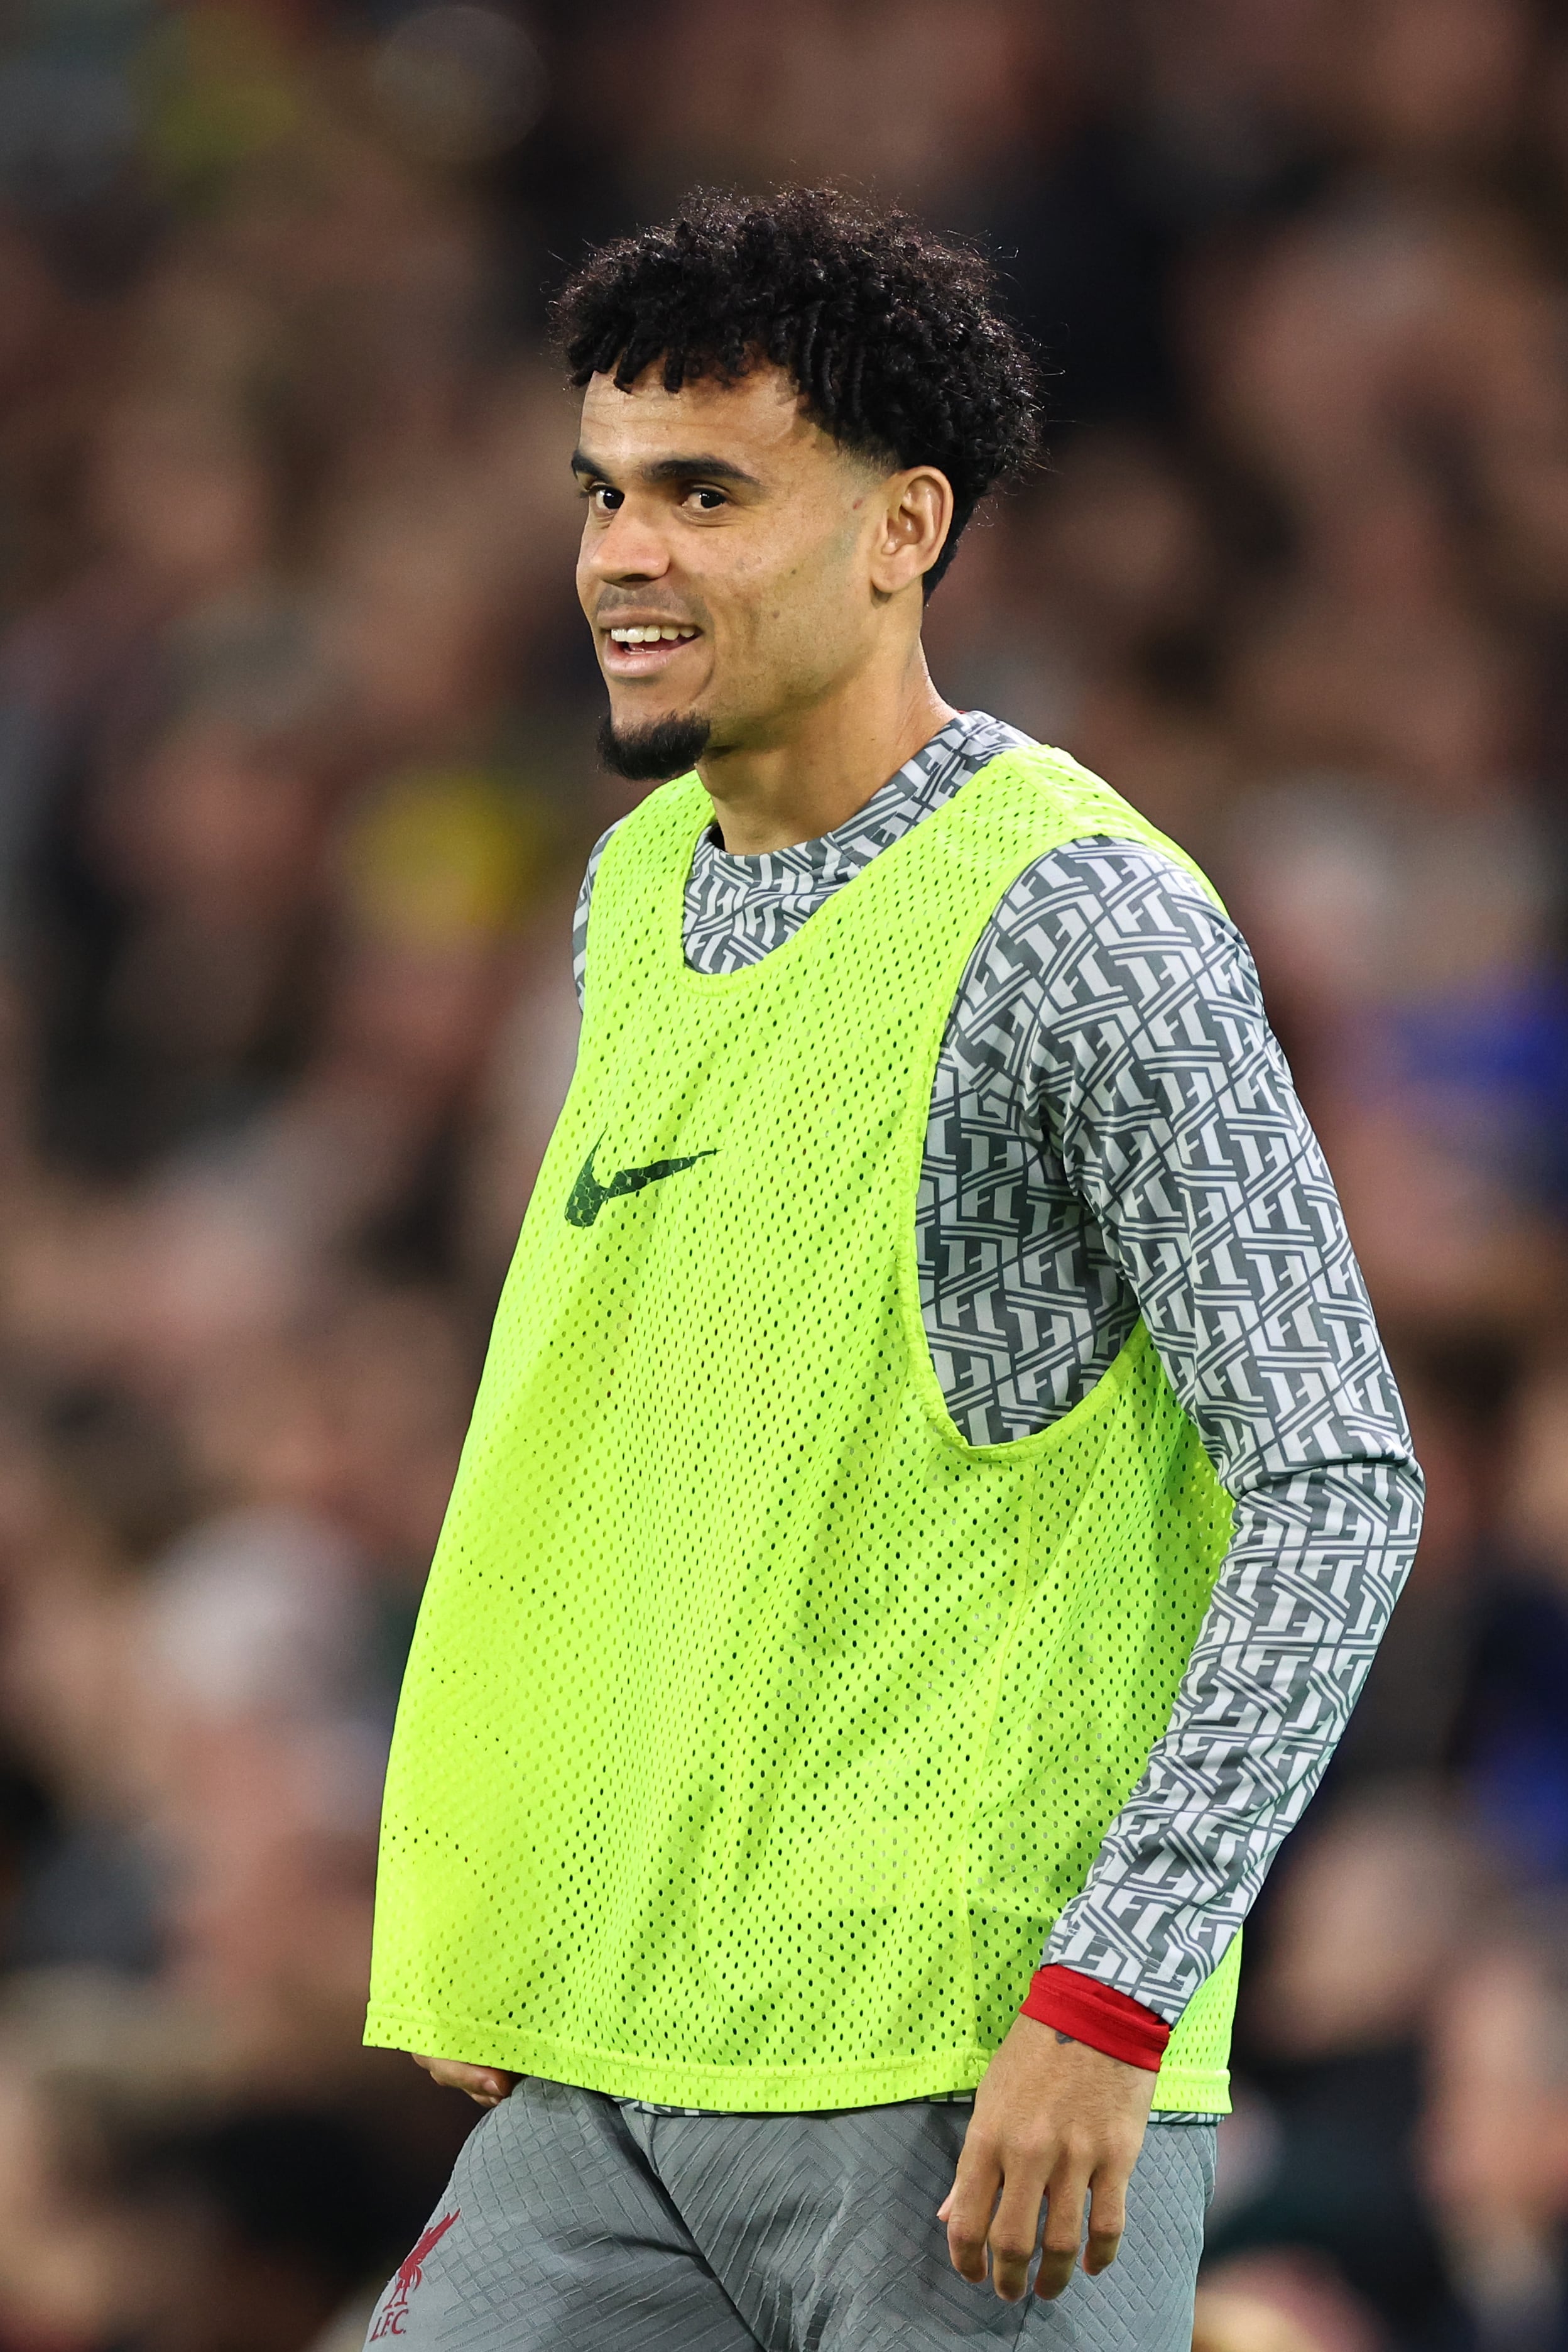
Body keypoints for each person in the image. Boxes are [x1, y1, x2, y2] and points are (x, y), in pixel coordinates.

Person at [361, 187, 1423, 2351]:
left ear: (903, 525)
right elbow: (659, 1443)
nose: (620, 556)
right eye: (605, 492)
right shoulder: (635, 887)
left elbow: (1338, 1487)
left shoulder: (1083, 921)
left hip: (965, 2085)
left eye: (705, 495)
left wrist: (1109, 1997)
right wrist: (522, 1891)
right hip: (624, 2049)